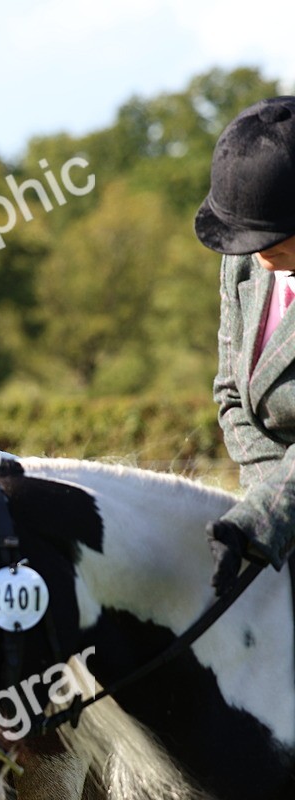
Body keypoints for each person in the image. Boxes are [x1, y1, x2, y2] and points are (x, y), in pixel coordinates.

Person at [196, 95, 295, 595]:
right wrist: (261, 494)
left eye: (272, 240)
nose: (255, 257)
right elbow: (232, 392)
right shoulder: (247, 258)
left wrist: (268, 513)